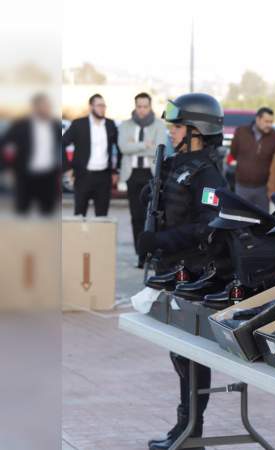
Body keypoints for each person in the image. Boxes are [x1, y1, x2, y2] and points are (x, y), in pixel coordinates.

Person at [136, 93, 228, 450]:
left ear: (197, 130)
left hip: (195, 275)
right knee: (178, 354)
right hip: (174, 273)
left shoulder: (207, 174)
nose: (171, 133)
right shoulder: (178, 165)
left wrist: (160, 239)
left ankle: (192, 431)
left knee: (191, 355)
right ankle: (184, 427)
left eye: (177, 127)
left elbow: (210, 227)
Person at [118, 92, 167, 267]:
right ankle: (140, 255)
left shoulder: (159, 126)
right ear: (135, 106)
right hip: (132, 174)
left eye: (145, 106)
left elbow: (158, 150)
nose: (142, 110)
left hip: (151, 174)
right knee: (136, 217)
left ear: (150, 107)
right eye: (139, 106)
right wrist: (145, 144)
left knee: (152, 216)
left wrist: (136, 146)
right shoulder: (125, 125)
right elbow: (123, 147)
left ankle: (151, 254)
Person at [1, 93, 61, 215]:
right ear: (35, 107)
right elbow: (5, 145)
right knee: (22, 213)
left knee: (47, 214)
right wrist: (7, 168)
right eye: (45, 105)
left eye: (49, 105)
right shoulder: (20, 125)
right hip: (25, 175)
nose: (48, 108)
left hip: (48, 177)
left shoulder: (55, 125)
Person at [61, 93, 119, 216]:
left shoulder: (110, 125)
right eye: (99, 105)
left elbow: (119, 147)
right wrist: (67, 168)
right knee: (79, 215)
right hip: (83, 176)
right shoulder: (78, 124)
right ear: (91, 107)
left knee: (102, 216)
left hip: (104, 177)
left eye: (104, 105)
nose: (102, 108)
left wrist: (115, 171)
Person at [229, 107, 275, 210]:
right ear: (257, 119)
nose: (269, 125)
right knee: (241, 219)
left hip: (263, 189)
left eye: (271, 122)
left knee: (262, 221)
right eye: (266, 121)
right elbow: (233, 152)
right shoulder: (241, 132)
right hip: (242, 187)